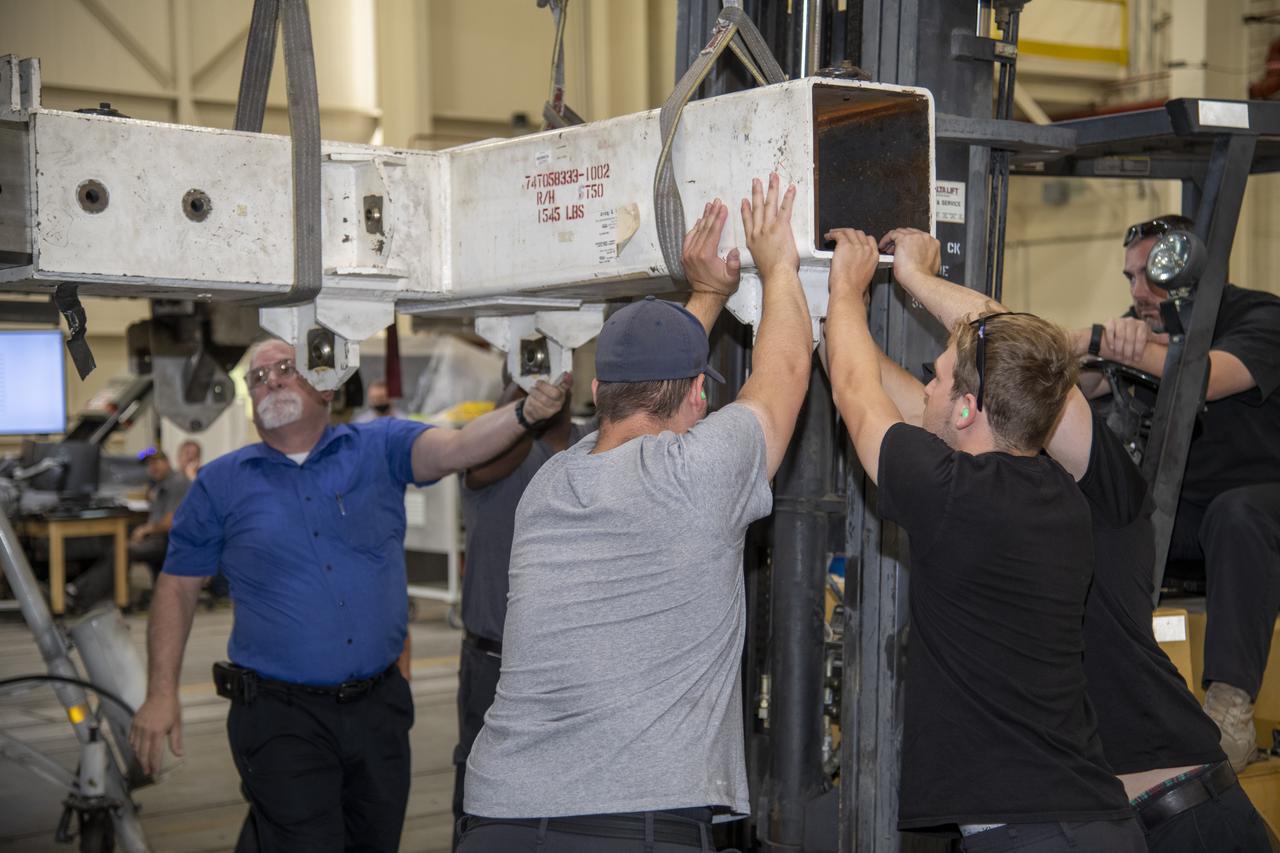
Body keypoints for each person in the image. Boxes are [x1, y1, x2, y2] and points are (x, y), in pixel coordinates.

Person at [882, 228, 1268, 851]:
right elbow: (910, 413)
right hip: (1117, 825)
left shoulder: (1105, 498)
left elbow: (1002, 340)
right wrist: (827, 313)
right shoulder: (998, 500)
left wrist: (916, 279)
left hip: (1189, 825)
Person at [458, 177, 813, 852]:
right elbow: (787, 369)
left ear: (596, 391)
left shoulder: (556, 484)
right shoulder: (697, 478)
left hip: (498, 819)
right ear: (700, 399)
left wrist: (706, 295)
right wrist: (781, 267)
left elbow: (647, 409)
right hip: (629, 825)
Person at [128, 337, 569, 853]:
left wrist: (524, 412)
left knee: (373, 841)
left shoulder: (378, 447)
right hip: (280, 715)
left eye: (285, 369)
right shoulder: (220, 483)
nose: (269, 380)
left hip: (378, 711)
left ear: (324, 385)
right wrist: (161, 693)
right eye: (258, 376)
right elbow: (177, 589)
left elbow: (456, 448)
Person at [823, 225, 1142, 851]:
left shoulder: (954, 495)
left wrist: (846, 292)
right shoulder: (1059, 493)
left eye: (938, 377)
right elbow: (1008, 362)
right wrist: (909, 283)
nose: (929, 387)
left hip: (1029, 834)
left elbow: (857, 396)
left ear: (967, 408)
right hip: (1100, 821)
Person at [1073, 214, 1280, 770]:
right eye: (1130, 278)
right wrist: (1064, 354)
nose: (1139, 292)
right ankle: (1091, 697)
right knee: (1111, 512)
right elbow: (1088, 379)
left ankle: (1230, 709)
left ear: (1193, 270)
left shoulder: (1260, 317)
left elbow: (1204, 377)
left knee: (1236, 515)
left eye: (1153, 276)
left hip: (1263, 507)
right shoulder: (1139, 324)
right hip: (1191, 515)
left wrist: (1102, 342)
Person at [450, 376, 590, 850]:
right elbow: (487, 457)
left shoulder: (594, 443)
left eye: (551, 363)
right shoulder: (495, 451)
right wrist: (521, 409)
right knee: (485, 805)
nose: (542, 376)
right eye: (527, 366)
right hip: (494, 664)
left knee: (568, 803)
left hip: (573, 666)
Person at [131, 448, 190, 580]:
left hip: (169, 540)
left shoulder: (177, 482)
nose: (152, 468)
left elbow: (171, 522)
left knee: (120, 552)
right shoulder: (159, 485)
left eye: (155, 462)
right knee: (117, 545)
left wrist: (145, 530)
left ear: (167, 462)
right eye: (149, 464)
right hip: (158, 537)